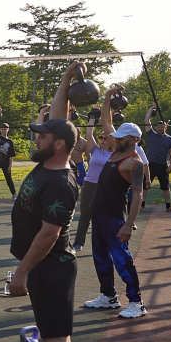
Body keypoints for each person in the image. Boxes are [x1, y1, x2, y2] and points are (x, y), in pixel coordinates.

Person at [6, 61, 84, 342]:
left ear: (59, 145)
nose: (36, 139)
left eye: (42, 137)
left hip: (51, 266)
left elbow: (48, 234)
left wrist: (23, 270)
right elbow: (59, 119)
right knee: (50, 331)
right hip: (43, 267)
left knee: (56, 339)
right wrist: (66, 81)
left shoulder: (61, 183)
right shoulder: (51, 159)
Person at [83, 113, 147, 319]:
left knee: (122, 261)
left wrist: (129, 224)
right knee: (100, 257)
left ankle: (136, 303)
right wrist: (109, 97)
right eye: (116, 137)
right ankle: (109, 296)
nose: (116, 140)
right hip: (99, 216)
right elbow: (106, 122)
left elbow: (138, 194)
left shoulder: (134, 162)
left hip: (115, 219)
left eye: (121, 138)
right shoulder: (115, 152)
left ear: (134, 141)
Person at [73, 107, 112, 251]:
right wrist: (92, 118)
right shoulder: (96, 150)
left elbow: (110, 128)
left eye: (104, 138)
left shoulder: (115, 154)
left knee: (103, 217)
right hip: (89, 185)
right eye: (100, 137)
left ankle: (106, 243)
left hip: (104, 187)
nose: (101, 140)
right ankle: (79, 243)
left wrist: (107, 113)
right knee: (85, 215)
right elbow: (89, 134)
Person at [143, 105, 171, 213]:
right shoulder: (151, 134)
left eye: (162, 126)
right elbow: (146, 120)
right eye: (159, 126)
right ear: (156, 127)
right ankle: (141, 204)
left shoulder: (170, 139)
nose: (160, 128)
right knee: (145, 185)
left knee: (165, 187)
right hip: (150, 164)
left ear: (166, 127)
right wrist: (151, 108)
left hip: (162, 165)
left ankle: (168, 206)